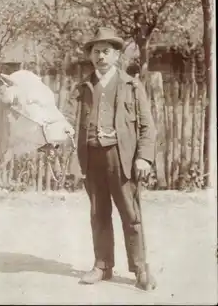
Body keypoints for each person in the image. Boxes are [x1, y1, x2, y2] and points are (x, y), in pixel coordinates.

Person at [63, 27, 157, 290]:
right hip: (92, 158)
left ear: (116, 55)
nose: (100, 56)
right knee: (98, 213)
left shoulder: (131, 85)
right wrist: (72, 159)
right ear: (91, 56)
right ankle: (102, 265)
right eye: (96, 51)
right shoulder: (82, 88)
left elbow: (148, 128)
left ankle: (140, 269)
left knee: (131, 214)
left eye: (106, 51)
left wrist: (144, 158)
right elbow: (72, 126)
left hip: (122, 158)